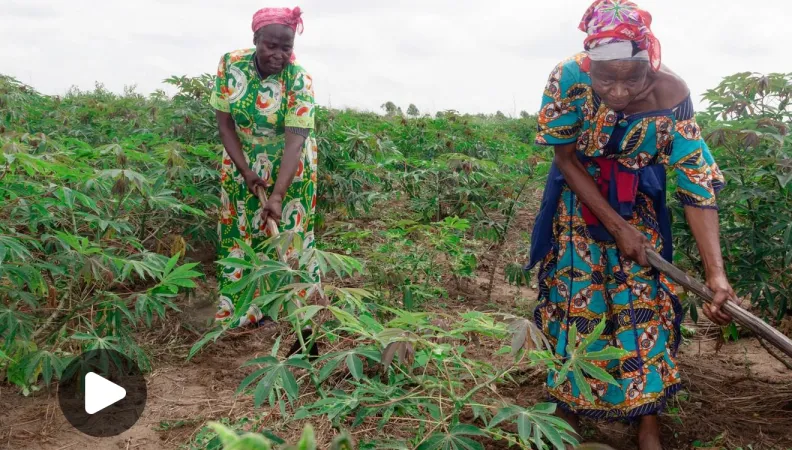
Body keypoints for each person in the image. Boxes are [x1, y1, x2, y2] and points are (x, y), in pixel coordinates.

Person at [526, 1, 738, 448]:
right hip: (576, 203)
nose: (619, 91)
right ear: (590, 65)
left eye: (632, 78)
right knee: (574, 303)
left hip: (639, 201)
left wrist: (715, 272)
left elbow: (696, 183)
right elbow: (564, 157)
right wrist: (615, 226)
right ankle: (569, 405)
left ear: (651, 62)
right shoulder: (568, 77)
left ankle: (648, 423)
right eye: (607, 79)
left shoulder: (673, 95)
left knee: (647, 306)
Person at [210, 6, 319, 329]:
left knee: (286, 235)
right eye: (271, 45)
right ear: (256, 39)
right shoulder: (230, 65)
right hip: (241, 159)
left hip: (291, 168)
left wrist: (278, 195)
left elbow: (295, 142)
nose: (279, 54)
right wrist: (245, 171)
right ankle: (240, 311)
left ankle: (284, 312)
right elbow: (225, 124)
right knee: (239, 232)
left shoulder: (299, 79)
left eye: (286, 47)